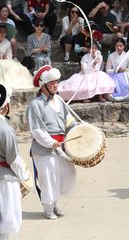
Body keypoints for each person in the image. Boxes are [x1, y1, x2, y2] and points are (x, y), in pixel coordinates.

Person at [27, 65, 77, 219]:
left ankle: (55, 203)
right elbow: (36, 130)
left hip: (62, 146)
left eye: (57, 82)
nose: (56, 85)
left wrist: (77, 131)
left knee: (64, 174)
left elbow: (69, 120)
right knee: (48, 178)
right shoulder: (35, 104)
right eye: (52, 83)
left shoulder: (60, 101)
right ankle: (48, 207)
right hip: (44, 149)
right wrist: (50, 142)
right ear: (44, 86)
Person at [0, 83, 30, 240]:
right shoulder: (5, 130)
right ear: (6, 106)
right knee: (5, 222)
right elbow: (13, 158)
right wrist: (25, 176)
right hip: (4, 180)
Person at [0, 24, 34, 90]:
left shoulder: (7, 43)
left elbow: (9, 55)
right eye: (0, 32)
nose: (2, 34)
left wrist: (5, 57)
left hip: (4, 61)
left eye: (4, 32)